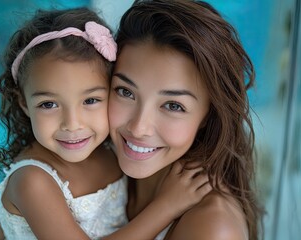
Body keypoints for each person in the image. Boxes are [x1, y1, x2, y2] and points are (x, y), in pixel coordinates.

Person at [0, 7, 211, 240]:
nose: (72, 124)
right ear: (24, 103)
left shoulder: (112, 153)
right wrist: (166, 206)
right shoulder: (33, 181)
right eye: (48, 104)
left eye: (91, 100)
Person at [108, 0, 263, 239]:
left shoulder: (211, 227)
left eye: (173, 106)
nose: (139, 128)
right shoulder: (98, 165)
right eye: (125, 92)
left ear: (207, 116)